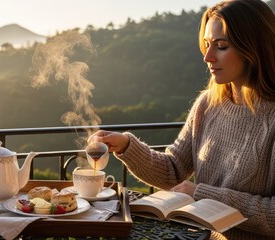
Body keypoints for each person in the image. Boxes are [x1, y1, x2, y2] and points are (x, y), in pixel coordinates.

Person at [88, 0, 275, 239]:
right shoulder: (208, 104)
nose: (208, 56)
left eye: (221, 46)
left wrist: (203, 193)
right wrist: (126, 145)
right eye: (207, 44)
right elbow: (173, 171)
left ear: (254, 47)